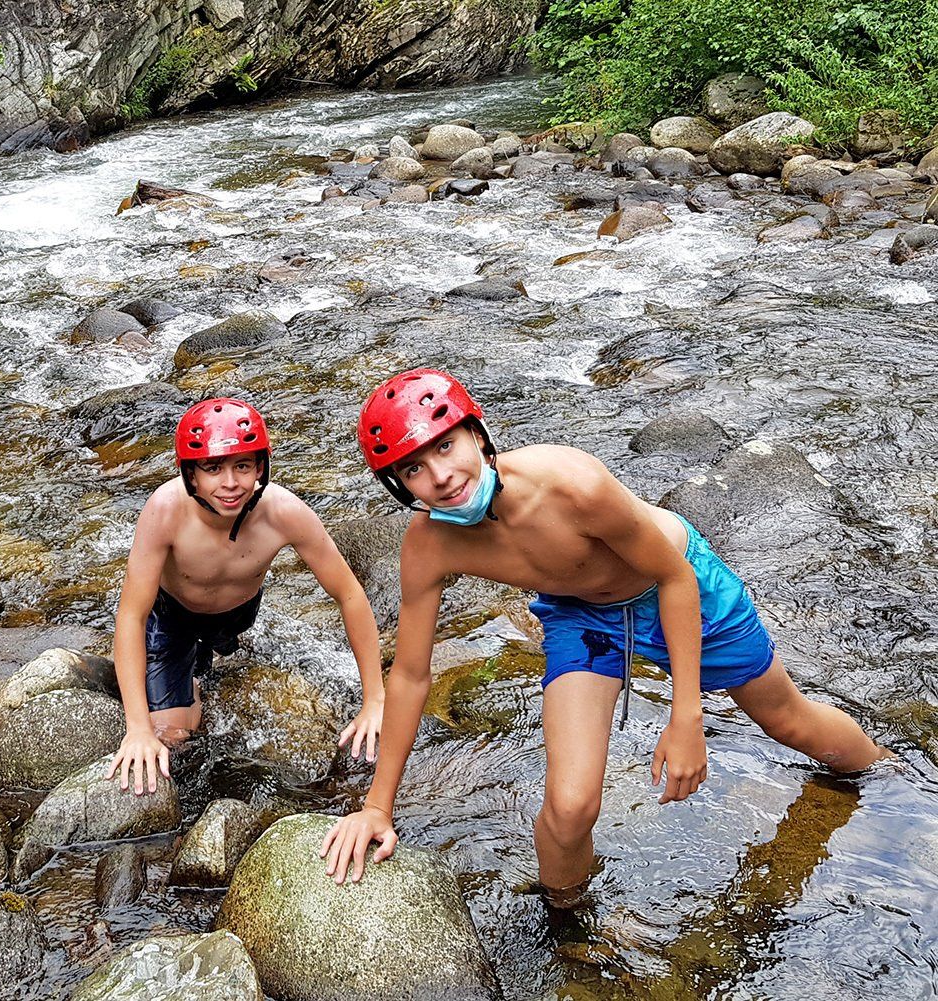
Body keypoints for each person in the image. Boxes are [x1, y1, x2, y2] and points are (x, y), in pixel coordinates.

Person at [320, 368, 888, 897]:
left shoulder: (571, 484)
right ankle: (569, 934)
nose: (440, 476)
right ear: (397, 484)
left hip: (680, 587)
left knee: (788, 721)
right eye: (413, 468)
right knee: (568, 809)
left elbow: (674, 576)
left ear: (478, 433)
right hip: (581, 615)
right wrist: (377, 806)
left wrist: (685, 717)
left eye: (445, 446)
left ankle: (884, 779)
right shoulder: (429, 544)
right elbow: (413, 676)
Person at [107, 397, 384, 795]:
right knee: (168, 737)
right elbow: (132, 615)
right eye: (213, 468)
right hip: (172, 617)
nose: (231, 483)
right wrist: (136, 729)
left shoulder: (284, 513)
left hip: (236, 614)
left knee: (211, 655)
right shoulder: (165, 511)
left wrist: (374, 698)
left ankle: (203, 659)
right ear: (191, 474)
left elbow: (350, 595)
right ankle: (188, 677)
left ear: (261, 467)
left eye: (243, 465)